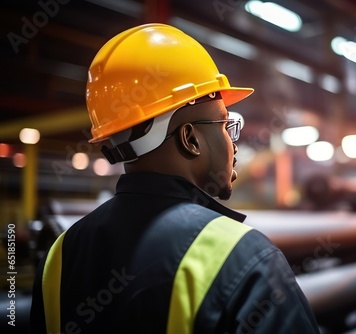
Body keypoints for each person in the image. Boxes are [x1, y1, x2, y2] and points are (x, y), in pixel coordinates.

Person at [30, 23, 320, 333]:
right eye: (224, 125)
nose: (233, 143)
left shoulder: (60, 256)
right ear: (190, 139)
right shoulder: (242, 256)